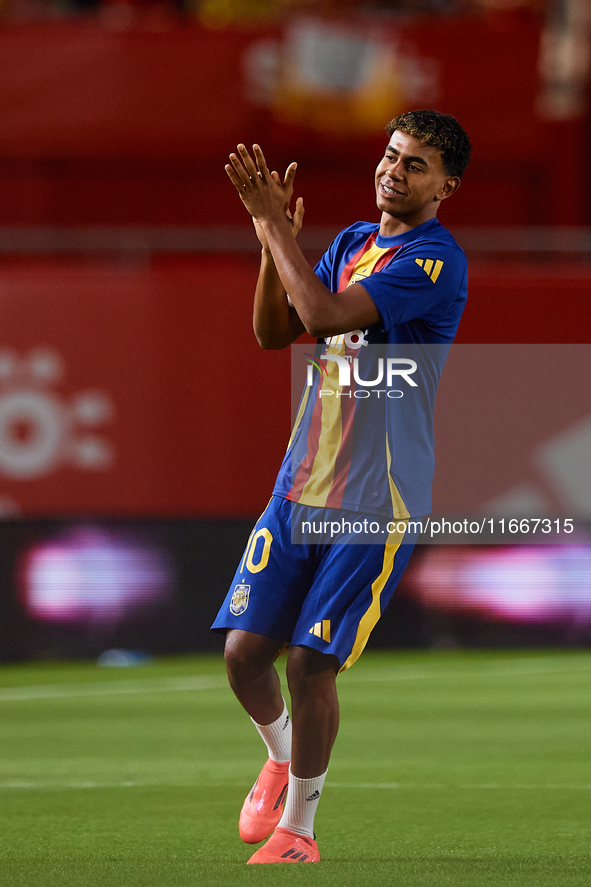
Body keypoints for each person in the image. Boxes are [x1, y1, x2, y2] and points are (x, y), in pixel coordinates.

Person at [212, 109, 472, 864]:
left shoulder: (432, 261)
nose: (394, 170)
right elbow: (272, 333)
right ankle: (280, 754)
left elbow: (323, 317)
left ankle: (298, 829)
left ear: (444, 186)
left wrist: (275, 228)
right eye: (390, 155)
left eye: (415, 164)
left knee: (308, 662)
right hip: (299, 484)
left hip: (375, 498)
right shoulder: (354, 243)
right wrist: (271, 240)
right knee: (242, 654)